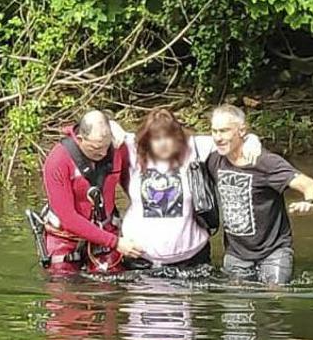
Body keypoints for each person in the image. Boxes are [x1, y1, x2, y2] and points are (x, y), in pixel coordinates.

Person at [110, 108, 260, 269]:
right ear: (147, 140)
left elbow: (230, 140)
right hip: (140, 257)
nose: (163, 144)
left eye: (169, 138)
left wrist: (251, 139)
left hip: (191, 257)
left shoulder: (194, 148)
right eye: (156, 139)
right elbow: (97, 128)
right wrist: (112, 126)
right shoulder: (133, 149)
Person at [207, 104, 313, 285]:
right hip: (236, 254)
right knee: (235, 309)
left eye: (224, 131)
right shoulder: (214, 160)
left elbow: (310, 184)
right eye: (214, 131)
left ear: (242, 130)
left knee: (273, 303)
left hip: (274, 252)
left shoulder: (265, 162)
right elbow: (177, 142)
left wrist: (310, 202)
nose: (218, 137)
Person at [41, 110, 142, 275]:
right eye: (96, 148)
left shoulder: (117, 148)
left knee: (111, 287)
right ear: (80, 139)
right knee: (62, 284)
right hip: (65, 236)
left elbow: (136, 191)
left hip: (105, 228)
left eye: (106, 146)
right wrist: (115, 243)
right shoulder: (58, 160)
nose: (102, 153)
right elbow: (68, 218)